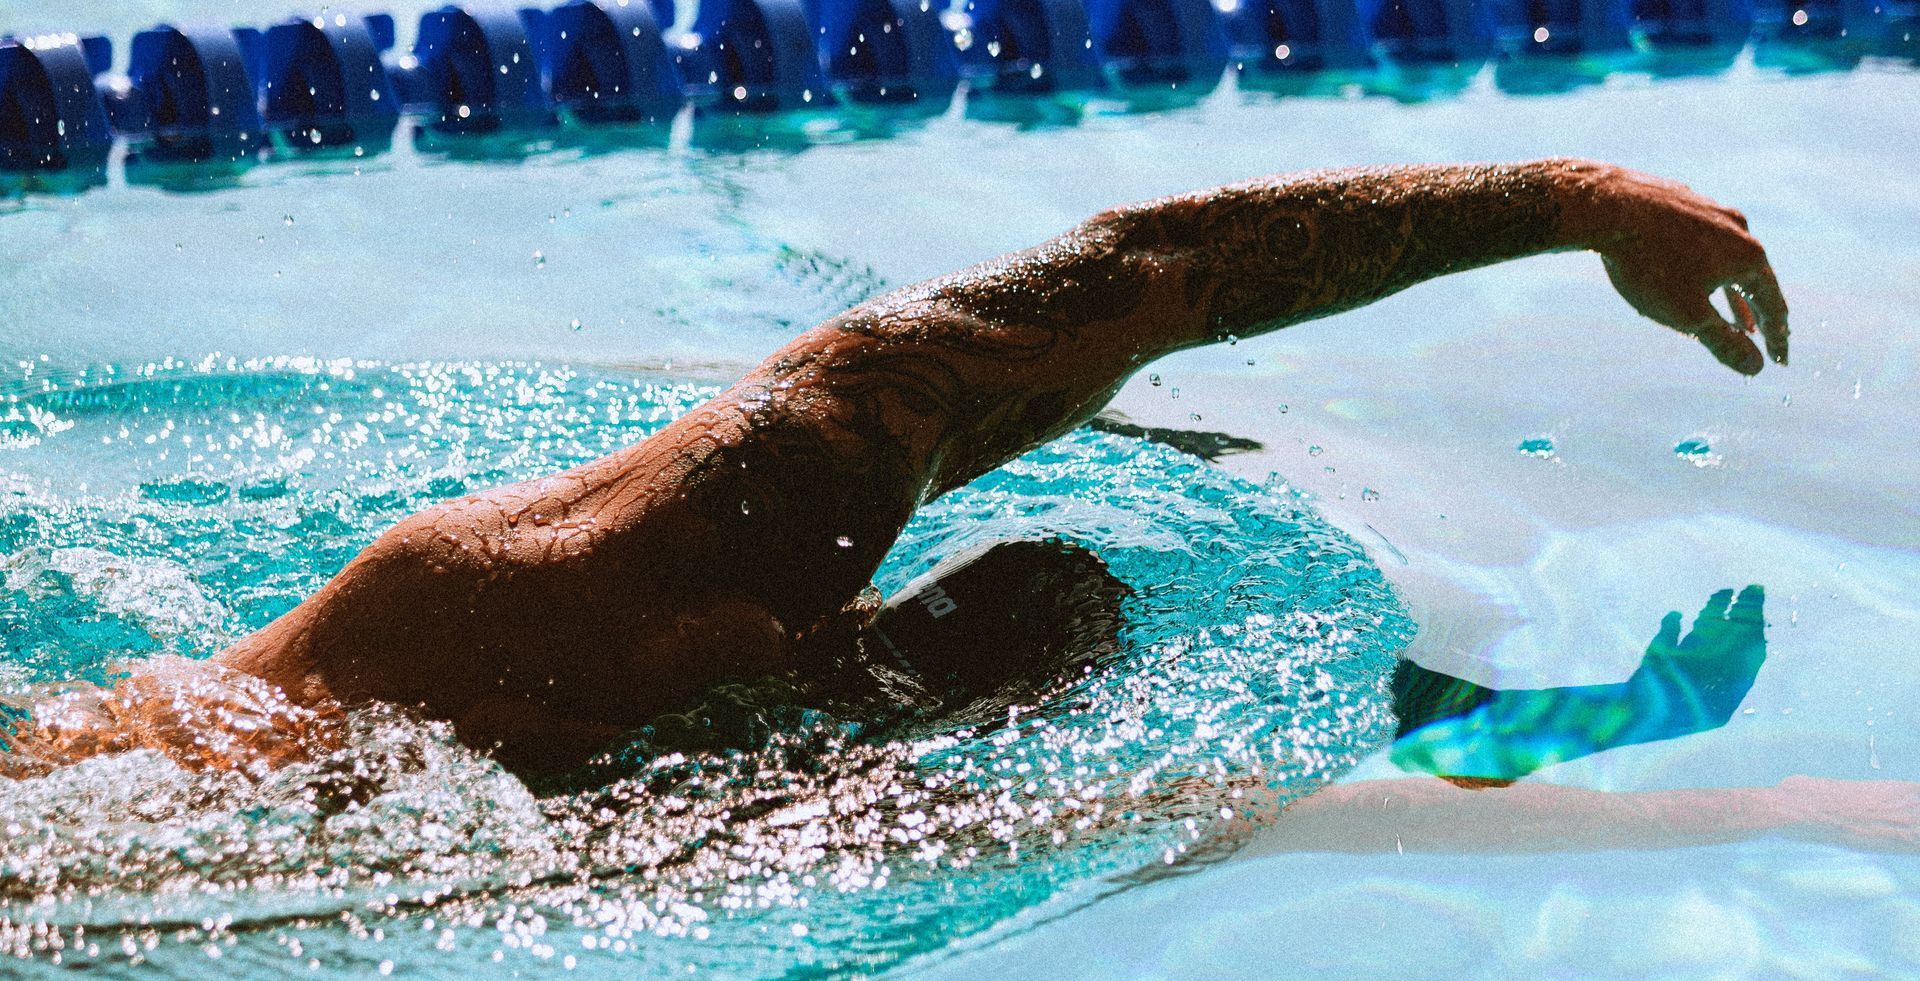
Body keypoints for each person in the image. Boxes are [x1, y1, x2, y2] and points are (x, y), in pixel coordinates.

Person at [11, 159, 1794, 781]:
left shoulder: (689, 687)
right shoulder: (712, 530)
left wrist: (1581, 724)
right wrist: (1559, 199)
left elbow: (1295, 710)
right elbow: (1139, 274)